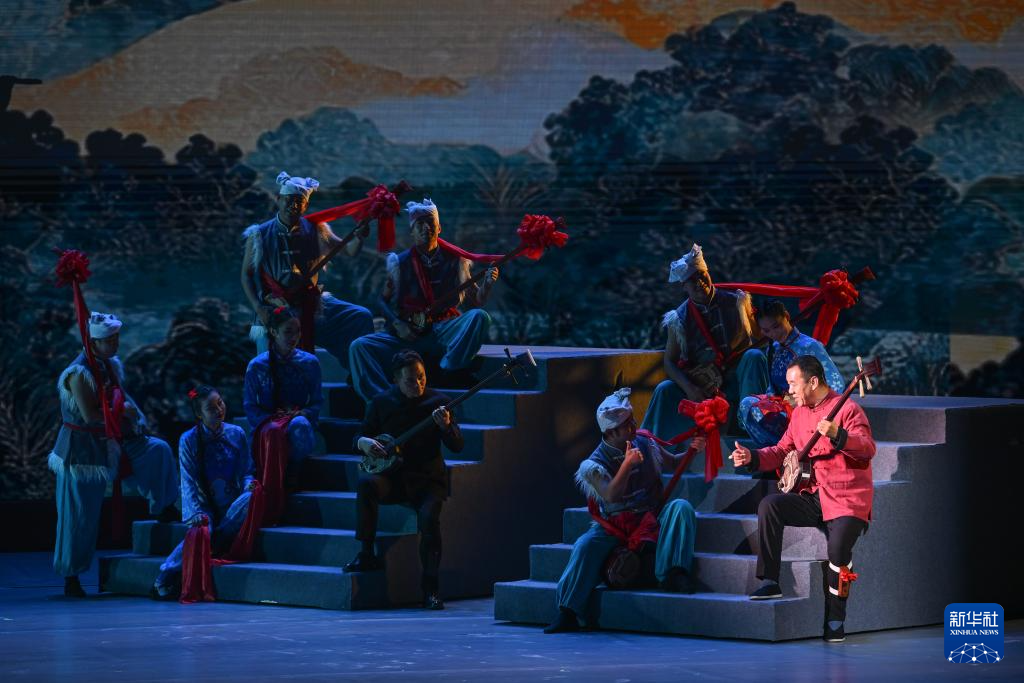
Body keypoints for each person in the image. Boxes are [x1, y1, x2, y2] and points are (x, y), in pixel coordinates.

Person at [730, 355, 875, 643]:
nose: (789, 391)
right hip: (815, 495)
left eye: (793, 384)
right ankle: (770, 580)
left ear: (813, 382)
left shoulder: (848, 409)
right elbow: (782, 450)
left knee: (838, 551)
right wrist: (752, 457)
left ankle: (835, 618)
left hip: (847, 498)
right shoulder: (798, 415)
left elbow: (867, 448)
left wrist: (839, 435)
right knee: (771, 505)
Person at [545, 388, 704, 634]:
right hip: (615, 525)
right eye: (626, 425)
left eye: (632, 421)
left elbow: (673, 462)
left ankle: (673, 573)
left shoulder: (646, 442)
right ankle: (568, 610)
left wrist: (692, 449)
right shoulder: (593, 465)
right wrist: (627, 464)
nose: (633, 427)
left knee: (680, 508)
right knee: (585, 545)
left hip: (650, 516)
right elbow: (611, 495)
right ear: (610, 432)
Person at [50, 312, 179, 597]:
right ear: (94, 343)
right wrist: (124, 413)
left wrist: (137, 419)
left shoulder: (109, 365)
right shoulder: (79, 373)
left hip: (114, 439)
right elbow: (90, 415)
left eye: (116, 338)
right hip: (83, 448)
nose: (116, 343)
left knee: (157, 450)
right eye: (110, 340)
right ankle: (71, 574)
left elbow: (121, 395)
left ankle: (163, 505)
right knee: (79, 515)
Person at [344, 350, 463, 610]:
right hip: (394, 478)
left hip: (428, 480)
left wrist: (446, 426)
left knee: (429, 518)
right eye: (410, 380)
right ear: (396, 380)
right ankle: (366, 553)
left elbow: (457, 445)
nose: (418, 384)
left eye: (421, 377)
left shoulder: (440, 403)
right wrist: (363, 443)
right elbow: (359, 436)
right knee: (366, 484)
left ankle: (430, 588)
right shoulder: (381, 402)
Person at [348, 198, 498, 402]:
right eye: (420, 224)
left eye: (430, 223)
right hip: (409, 333)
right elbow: (382, 301)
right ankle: (383, 400)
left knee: (480, 317)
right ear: (412, 231)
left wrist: (487, 285)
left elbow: (477, 300)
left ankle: (449, 370)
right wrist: (398, 323)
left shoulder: (456, 260)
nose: (426, 228)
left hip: (443, 329)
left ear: (439, 228)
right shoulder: (399, 262)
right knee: (359, 346)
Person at [241, 170, 374, 370]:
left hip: (312, 302)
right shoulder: (259, 234)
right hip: (276, 305)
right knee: (269, 355)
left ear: (305, 205)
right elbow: (246, 275)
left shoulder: (317, 229)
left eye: (299, 202)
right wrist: (259, 308)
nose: (293, 205)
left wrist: (359, 237)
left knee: (360, 316)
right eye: (289, 200)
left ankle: (357, 373)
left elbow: (349, 250)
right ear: (279, 199)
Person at [641, 244, 769, 443]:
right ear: (684, 286)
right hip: (704, 386)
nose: (699, 282)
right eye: (692, 281)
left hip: (738, 379)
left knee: (754, 356)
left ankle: (753, 424)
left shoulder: (737, 301)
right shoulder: (679, 319)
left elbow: (761, 339)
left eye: (702, 275)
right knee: (665, 389)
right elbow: (669, 362)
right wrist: (690, 388)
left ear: (708, 273)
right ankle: (652, 445)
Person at [151, 385, 256, 599]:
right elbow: (188, 480)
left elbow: (246, 470)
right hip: (205, 505)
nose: (219, 409)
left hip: (231, 503)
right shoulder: (189, 439)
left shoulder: (236, 433)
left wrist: (248, 484)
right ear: (200, 414)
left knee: (252, 497)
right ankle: (165, 574)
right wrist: (195, 512)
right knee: (202, 530)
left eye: (220, 403)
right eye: (211, 408)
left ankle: (217, 537)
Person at [243, 306, 322, 507]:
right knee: (273, 431)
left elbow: (317, 401)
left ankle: (293, 471)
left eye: (297, 331)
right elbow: (250, 405)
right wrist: (271, 419)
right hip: (268, 422)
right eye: (288, 331)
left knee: (300, 426)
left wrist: (303, 413)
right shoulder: (257, 366)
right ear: (273, 331)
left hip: (296, 419)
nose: (294, 337)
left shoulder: (310, 363)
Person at [738, 300, 845, 446]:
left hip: (807, 409)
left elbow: (836, 384)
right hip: (783, 408)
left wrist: (808, 403)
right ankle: (776, 451)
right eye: (767, 331)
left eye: (776, 326)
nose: (774, 334)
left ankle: (786, 449)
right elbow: (772, 389)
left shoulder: (809, 346)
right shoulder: (773, 349)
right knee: (747, 405)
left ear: (787, 316)